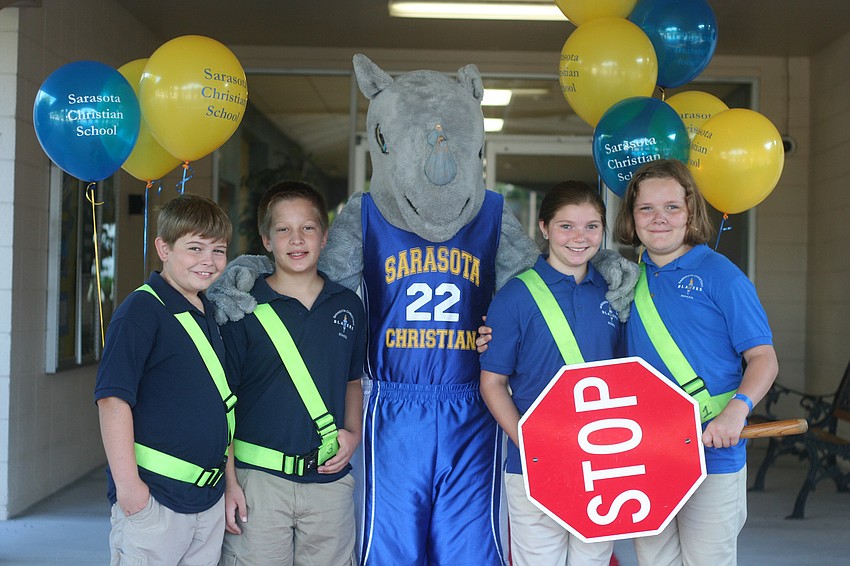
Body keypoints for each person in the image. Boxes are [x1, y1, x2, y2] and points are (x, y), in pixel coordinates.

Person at [613, 159, 778, 566]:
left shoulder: (723, 277)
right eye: (646, 208)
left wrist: (737, 412)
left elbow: (764, 359)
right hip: (645, 451)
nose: (659, 219)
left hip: (713, 452)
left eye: (672, 206)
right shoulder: (622, 280)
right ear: (632, 219)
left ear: (690, 212)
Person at [218, 180, 366, 566]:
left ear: (324, 236)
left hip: (329, 483)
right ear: (266, 240)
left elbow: (352, 380)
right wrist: (230, 482)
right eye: (283, 229)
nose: (296, 239)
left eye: (308, 228)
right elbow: (223, 405)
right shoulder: (242, 309)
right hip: (259, 482)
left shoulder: (347, 305)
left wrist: (354, 433)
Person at [479, 180, 619, 566]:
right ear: (543, 228)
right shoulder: (515, 297)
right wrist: (529, 441)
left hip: (603, 461)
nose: (580, 237)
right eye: (566, 226)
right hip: (534, 466)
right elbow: (492, 383)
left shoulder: (613, 291)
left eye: (592, 226)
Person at [95, 194, 234, 565]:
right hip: (155, 501)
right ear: (163, 248)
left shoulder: (210, 312)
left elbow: (223, 406)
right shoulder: (141, 311)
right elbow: (112, 400)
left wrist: (228, 485)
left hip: (207, 500)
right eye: (195, 248)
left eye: (218, 250)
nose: (208, 261)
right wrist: (130, 491)